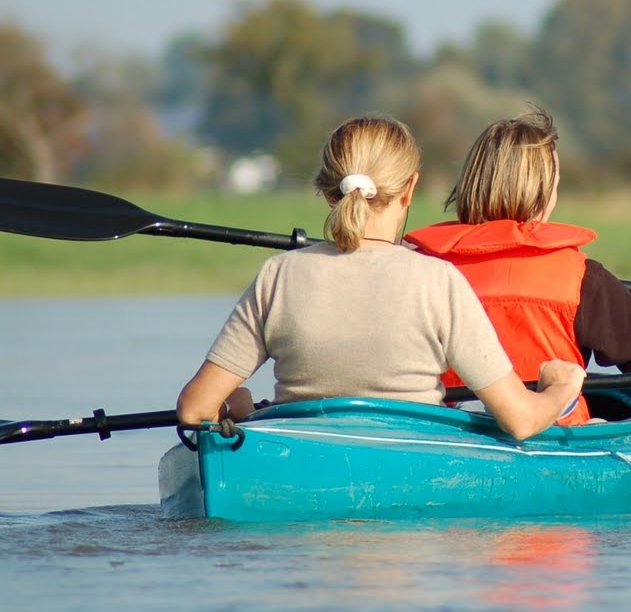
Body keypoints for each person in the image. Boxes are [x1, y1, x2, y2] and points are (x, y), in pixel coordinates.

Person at [176, 115, 585, 442]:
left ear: (327, 190)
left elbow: (194, 410)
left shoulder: (278, 275)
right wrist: (560, 390)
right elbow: (520, 421)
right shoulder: (438, 281)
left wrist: (236, 408)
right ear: (410, 189)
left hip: (302, 467)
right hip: (409, 473)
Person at [404, 106, 631, 426]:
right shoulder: (581, 279)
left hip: (447, 432)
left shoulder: (419, 267)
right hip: (550, 437)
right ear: (544, 193)